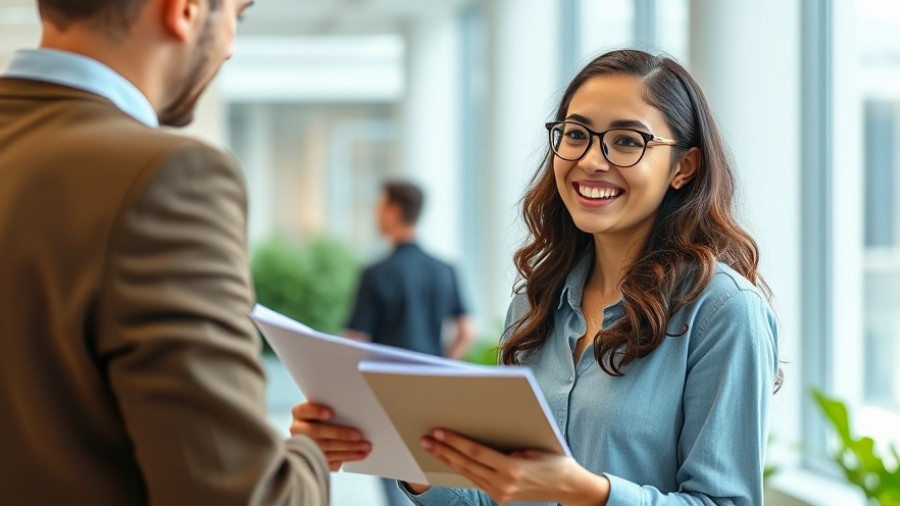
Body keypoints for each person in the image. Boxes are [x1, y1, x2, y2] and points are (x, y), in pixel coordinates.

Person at [291, 49, 780, 506]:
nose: (591, 160)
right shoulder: (536, 302)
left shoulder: (723, 312)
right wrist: (398, 448)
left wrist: (586, 491)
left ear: (683, 167)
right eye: (576, 134)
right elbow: (497, 494)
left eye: (627, 141)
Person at [0, 1, 328, 504]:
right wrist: (311, 454)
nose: (230, 47)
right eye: (236, 16)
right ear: (185, 11)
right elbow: (240, 497)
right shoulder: (169, 177)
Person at [344, 180, 475, 506]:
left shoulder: (376, 273)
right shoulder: (445, 269)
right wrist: (441, 364)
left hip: (387, 393)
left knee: (397, 485)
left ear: (393, 211)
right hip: (433, 390)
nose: (375, 214)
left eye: (379, 206)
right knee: (432, 478)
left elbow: (354, 342)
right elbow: (467, 331)